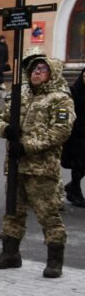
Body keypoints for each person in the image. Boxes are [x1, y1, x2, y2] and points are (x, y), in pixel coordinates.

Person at [0, 55, 76, 278]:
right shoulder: (20, 94)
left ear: (52, 73)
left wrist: (27, 146)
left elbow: (60, 131)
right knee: (13, 213)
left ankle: (55, 260)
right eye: (34, 69)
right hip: (16, 166)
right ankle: (10, 253)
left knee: (48, 215)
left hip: (41, 168)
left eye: (43, 69)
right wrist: (6, 130)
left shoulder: (60, 98)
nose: (37, 72)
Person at [62, 68, 85, 207]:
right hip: (76, 134)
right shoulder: (74, 92)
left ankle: (71, 186)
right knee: (79, 164)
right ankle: (74, 191)